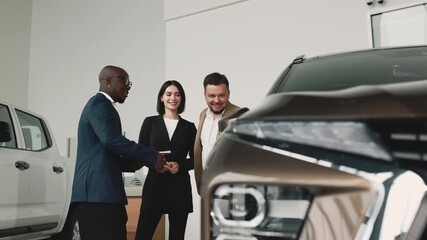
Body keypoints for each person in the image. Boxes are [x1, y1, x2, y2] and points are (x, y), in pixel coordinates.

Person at [71, 65, 167, 240]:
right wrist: (151, 155)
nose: (129, 86)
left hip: (101, 194)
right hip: (98, 194)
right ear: (108, 81)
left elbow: (106, 152)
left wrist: (137, 161)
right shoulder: (99, 104)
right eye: (125, 81)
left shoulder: (102, 106)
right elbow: (110, 139)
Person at [135, 80, 196, 240]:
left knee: (177, 237)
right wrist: (156, 163)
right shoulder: (150, 123)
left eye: (177, 94)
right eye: (168, 94)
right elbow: (141, 152)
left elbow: (197, 159)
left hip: (179, 188)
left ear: (181, 99)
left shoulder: (189, 127)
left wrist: (180, 165)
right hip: (155, 186)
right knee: (142, 236)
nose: (173, 98)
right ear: (161, 97)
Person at [194, 72, 240, 194]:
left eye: (221, 95)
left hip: (229, 190)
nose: (216, 100)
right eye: (211, 96)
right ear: (205, 95)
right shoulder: (203, 114)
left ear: (228, 94)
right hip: (207, 187)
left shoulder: (240, 116)